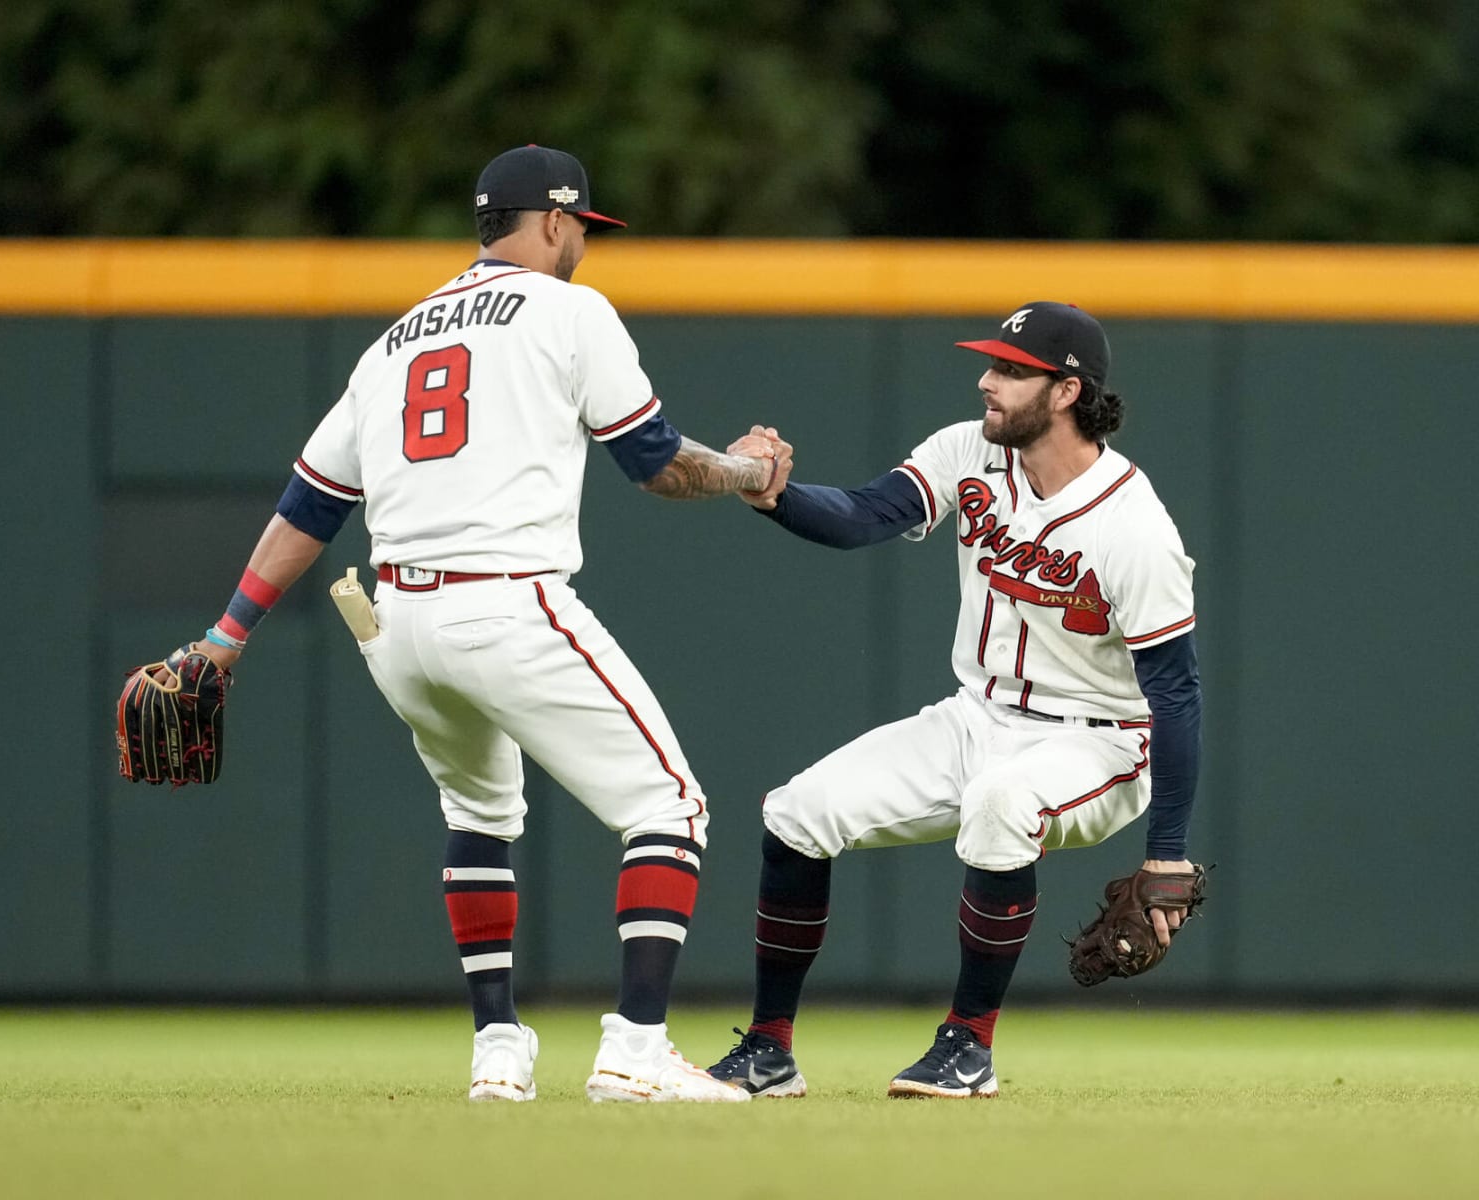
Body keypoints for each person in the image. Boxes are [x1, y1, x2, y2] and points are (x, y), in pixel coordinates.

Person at [152, 145, 782, 1104]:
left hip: (394, 625)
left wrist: (225, 638)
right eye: (582, 228)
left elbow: (310, 505)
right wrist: (745, 472)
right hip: (507, 601)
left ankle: (498, 1048)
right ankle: (636, 1052)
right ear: (557, 220)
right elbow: (655, 463)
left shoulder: (393, 342)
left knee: (479, 817)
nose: (584, 245)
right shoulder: (570, 311)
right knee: (670, 809)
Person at [705, 302, 1201, 1099]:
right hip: (976, 715)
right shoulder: (967, 450)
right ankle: (769, 1050)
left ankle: (967, 1046)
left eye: (1009, 369)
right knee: (796, 813)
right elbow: (864, 515)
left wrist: (1167, 849)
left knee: (1002, 804)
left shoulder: (1135, 529)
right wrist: (775, 497)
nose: (986, 379)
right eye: (991, 363)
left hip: (1100, 741)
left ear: (1067, 391)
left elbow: (1176, 693)